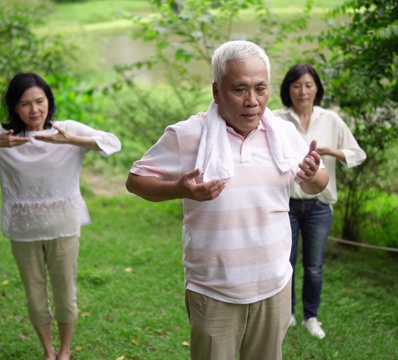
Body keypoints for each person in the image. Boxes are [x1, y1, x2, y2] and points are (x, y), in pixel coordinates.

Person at [125, 41, 329, 360]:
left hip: (274, 286)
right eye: (239, 89)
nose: (252, 101)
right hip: (214, 291)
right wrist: (180, 188)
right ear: (216, 91)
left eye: (260, 89)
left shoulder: (284, 133)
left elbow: (319, 183)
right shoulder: (188, 135)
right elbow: (135, 180)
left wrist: (313, 173)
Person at [0, 72, 122, 360]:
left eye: (39, 101)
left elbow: (112, 143)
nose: (34, 110)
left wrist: (73, 140)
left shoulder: (65, 130)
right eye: (25, 104)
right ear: (14, 108)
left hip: (64, 225)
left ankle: (65, 351)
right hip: (23, 229)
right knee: (34, 295)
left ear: (49, 101)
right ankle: (48, 350)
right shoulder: (3, 138)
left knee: (65, 292)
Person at [274, 64, 366, 339]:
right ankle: (286, 314)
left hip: (319, 207)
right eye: (296, 85)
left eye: (309, 85)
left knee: (314, 266)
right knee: (284, 263)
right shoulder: (277, 119)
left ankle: (310, 317)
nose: (303, 91)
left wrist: (330, 151)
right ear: (287, 89)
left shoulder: (331, 120)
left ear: (317, 89)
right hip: (285, 204)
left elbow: (357, 153)